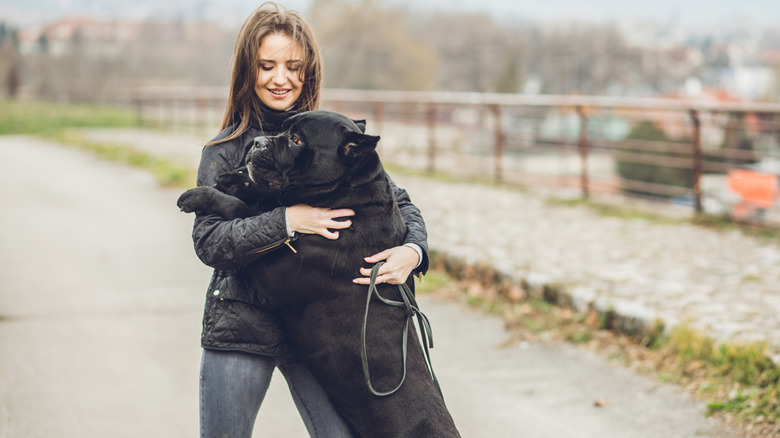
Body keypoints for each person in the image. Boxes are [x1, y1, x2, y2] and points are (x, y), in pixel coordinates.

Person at [190, 3, 429, 437]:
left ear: (309, 71)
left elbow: (398, 203)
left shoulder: (330, 136)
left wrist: (413, 251)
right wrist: (288, 220)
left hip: (318, 338)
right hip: (245, 325)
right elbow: (210, 242)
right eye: (267, 65)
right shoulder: (223, 150)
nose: (281, 78)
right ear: (248, 70)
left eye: (293, 66)